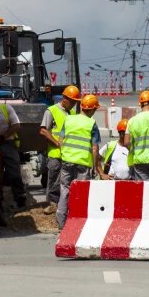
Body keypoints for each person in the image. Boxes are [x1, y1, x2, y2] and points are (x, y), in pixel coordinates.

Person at [56, 94, 105, 229]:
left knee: (65, 189)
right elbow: (95, 148)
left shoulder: (69, 119)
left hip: (67, 161)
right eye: (94, 110)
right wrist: (95, 167)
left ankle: (61, 222)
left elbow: (60, 141)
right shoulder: (91, 124)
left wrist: (65, 154)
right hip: (83, 164)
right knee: (81, 193)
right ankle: (78, 223)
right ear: (91, 110)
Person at [39, 85, 81, 205]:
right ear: (64, 98)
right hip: (56, 154)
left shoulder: (72, 113)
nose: (73, 104)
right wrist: (57, 143)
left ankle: (63, 206)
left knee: (66, 183)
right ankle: (52, 206)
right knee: (54, 183)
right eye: (72, 101)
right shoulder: (52, 110)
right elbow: (43, 131)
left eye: (75, 102)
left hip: (69, 155)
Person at [0, 90, 26, 208]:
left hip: (7, 143)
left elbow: (16, 125)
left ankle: (20, 197)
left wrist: (3, 136)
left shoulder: (6, 108)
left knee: (14, 172)